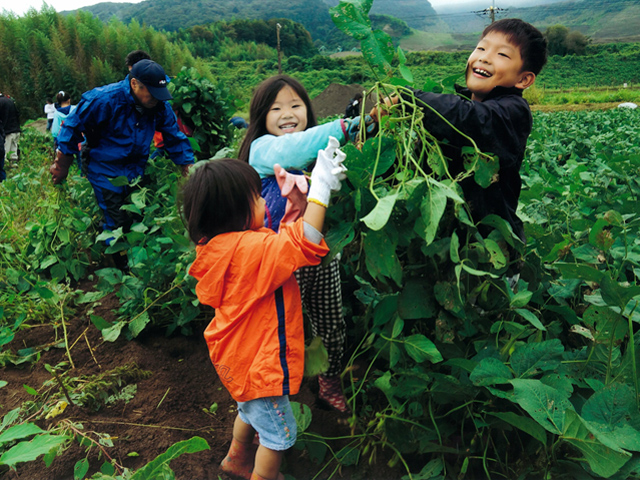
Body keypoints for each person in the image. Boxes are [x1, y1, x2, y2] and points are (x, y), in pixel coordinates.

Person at [184, 149, 346, 480]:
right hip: (260, 366)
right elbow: (306, 241)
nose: (263, 202)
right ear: (237, 212)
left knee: (249, 412)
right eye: (257, 197)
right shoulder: (251, 251)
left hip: (238, 362)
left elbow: (274, 242)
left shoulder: (219, 247)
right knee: (279, 436)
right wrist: (321, 188)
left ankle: (235, 460)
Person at [238, 75, 372, 413]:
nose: (288, 114)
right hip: (281, 263)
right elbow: (294, 147)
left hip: (322, 256)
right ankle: (272, 397)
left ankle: (328, 379)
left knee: (330, 321)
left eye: (296, 105)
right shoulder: (263, 150)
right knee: (281, 328)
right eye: (276, 108)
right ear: (261, 117)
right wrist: (352, 123)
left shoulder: (319, 153)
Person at [372, 18, 547, 245]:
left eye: (502, 55)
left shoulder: (513, 112)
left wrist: (407, 98)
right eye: (481, 48)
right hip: (445, 241)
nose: (484, 57)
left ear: (524, 79)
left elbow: (470, 118)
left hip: (488, 248)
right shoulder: (450, 107)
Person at [50, 59, 194, 271]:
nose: (156, 98)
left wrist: (187, 165)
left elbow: (173, 135)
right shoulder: (105, 100)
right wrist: (61, 164)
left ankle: (114, 242)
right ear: (135, 84)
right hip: (104, 168)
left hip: (135, 168)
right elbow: (71, 127)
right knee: (115, 218)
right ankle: (119, 268)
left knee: (136, 216)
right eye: (151, 93)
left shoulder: (158, 105)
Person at [0, 93, 21, 165]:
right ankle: (14, 168)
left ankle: (6, 170)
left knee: (4, 152)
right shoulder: (10, 101)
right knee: (13, 152)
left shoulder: (1, 102)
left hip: (7, 131)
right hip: (16, 130)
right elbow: (18, 114)